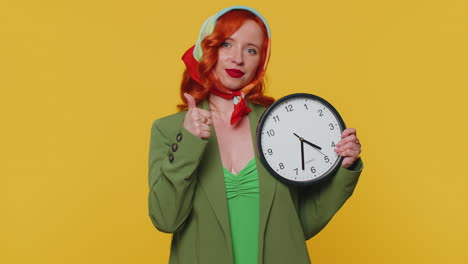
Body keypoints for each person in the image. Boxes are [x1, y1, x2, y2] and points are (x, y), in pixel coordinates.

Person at [148, 6, 363, 264]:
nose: (238, 58)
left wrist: (343, 169)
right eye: (227, 44)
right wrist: (189, 142)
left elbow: (300, 225)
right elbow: (165, 219)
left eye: (251, 50)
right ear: (207, 49)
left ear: (260, 61)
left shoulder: (280, 124)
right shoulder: (169, 130)